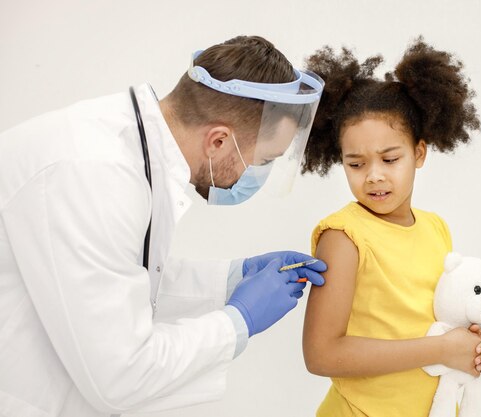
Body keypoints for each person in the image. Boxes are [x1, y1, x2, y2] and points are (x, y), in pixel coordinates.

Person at [0, 35, 327, 417]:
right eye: (263, 160)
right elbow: (121, 375)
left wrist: (231, 280)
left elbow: (119, 274)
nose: (257, 175)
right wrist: (238, 321)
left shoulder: (134, 154)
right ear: (219, 140)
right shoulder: (95, 175)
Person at [300, 37, 481, 417]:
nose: (374, 177)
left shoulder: (436, 228)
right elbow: (321, 353)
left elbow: (442, 322)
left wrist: (480, 343)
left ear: (419, 153)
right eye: (356, 164)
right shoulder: (343, 237)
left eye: (390, 159)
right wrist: (442, 350)